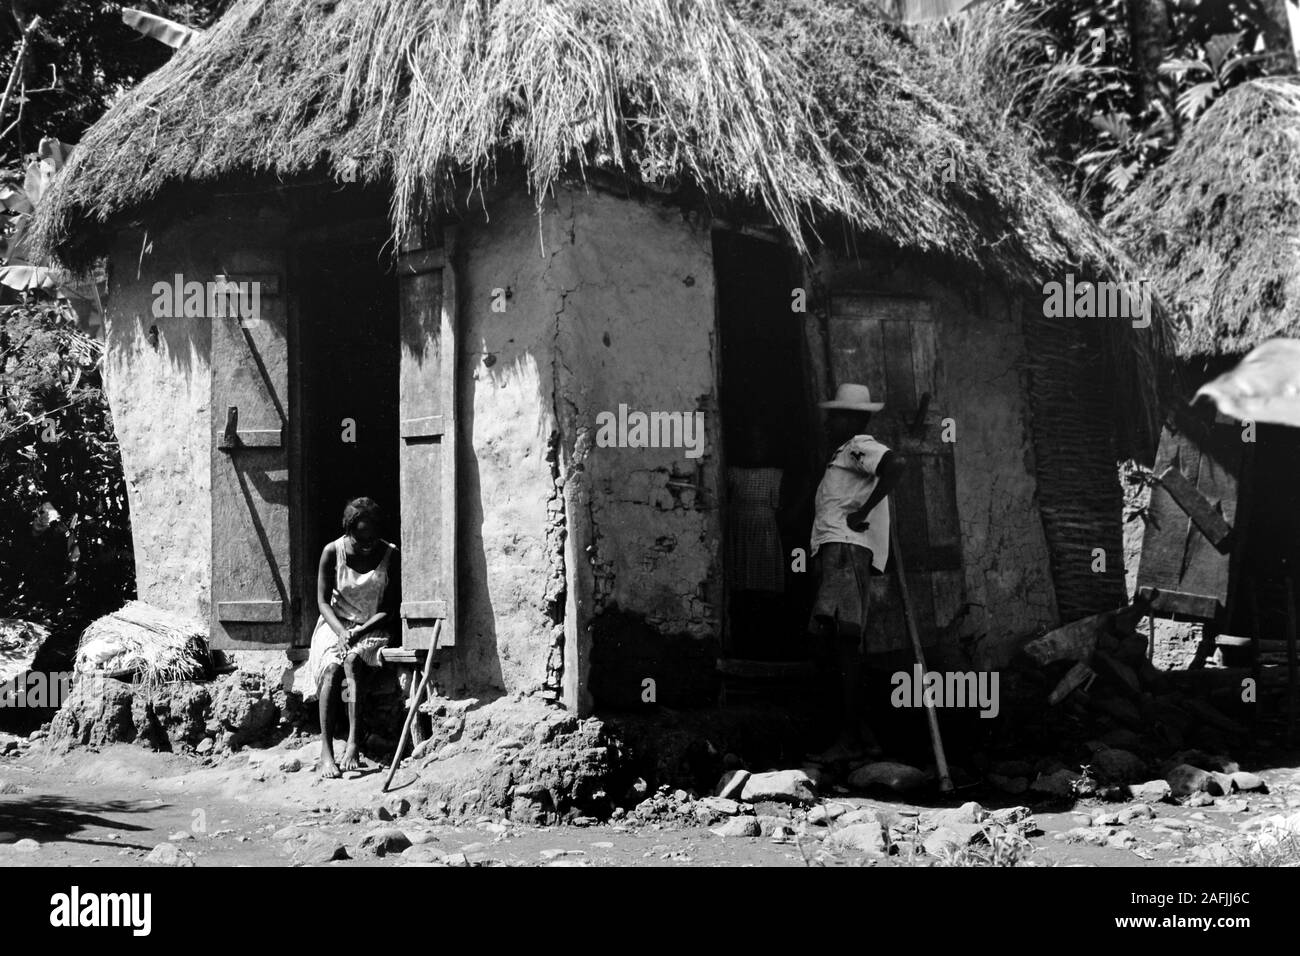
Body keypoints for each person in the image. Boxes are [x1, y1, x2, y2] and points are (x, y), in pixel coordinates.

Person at [807, 383, 906, 762]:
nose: (828, 422)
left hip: (846, 552)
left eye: (835, 415)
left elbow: (896, 465)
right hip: (840, 554)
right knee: (838, 642)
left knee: (840, 642)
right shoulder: (845, 454)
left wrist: (863, 512)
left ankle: (849, 740)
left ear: (852, 419)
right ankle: (862, 737)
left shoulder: (857, 446)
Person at [306, 497, 399, 778]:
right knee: (333, 669)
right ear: (348, 532)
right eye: (360, 539)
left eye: (371, 537)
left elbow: (390, 609)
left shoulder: (390, 554)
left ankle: (353, 742)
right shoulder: (331, 552)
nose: (367, 544)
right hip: (335, 624)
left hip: (372, 625)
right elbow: (322, 602)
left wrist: (359, 631)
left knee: (353, 663)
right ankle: (326, 751)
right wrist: (341, 631)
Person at [726, 424, 786, 658]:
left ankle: (764, 645)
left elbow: (790, 499)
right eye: (751, 442)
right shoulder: (733, 472)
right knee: (741, 587)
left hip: (765, 532)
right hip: (740, 531)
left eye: (761, 443)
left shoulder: (775, 474)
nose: (756, 447)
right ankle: (742, 643)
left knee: (764, 585)